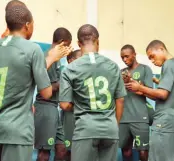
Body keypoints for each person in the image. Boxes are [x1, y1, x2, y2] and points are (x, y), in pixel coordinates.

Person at [0, 5, 69, 161]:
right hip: (17, 130)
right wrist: (51, 58)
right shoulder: (32, 49)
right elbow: (46, 92)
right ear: (27, 25)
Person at [59, 24, 127, 161]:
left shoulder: (70, 69)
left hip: (85, 129)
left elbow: (65, 105)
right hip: (110, 129)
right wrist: (114, 124)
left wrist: (80, 105)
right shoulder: (113, 66)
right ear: (98, 41)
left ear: (78, 43)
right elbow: (120, 100)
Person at [126, 40, 174, 161]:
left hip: (164, 120)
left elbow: (162, 94)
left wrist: (141, 87)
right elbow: (161, 95)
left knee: (158, 158)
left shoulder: (169, 64)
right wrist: (141, 91)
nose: (152, 61)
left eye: (152, 56)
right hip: (170, 119)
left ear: (161, 49)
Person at [34, 27, 72, 161]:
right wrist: (69, 81)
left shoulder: (57, 60)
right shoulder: (48, 57)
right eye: (67, 45)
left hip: (54, 109)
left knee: (61, 149)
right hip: (45, 107)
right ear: (61, 42)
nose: (68, 50)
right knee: (44, 154)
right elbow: (48, 88)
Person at [119, 44, 154, 161]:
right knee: (126, 151)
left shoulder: (145, 69)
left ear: (134, 55)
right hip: (123, 118)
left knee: (143, 152)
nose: (124, 59)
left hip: (140, 117)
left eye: (127, 56)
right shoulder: (121, 72)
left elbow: (150, 92)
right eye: (122, 57)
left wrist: (137, 87)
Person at [61, 49, 82, 161]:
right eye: (80, 58)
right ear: (71, 60)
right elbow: (64, 105)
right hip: (70, 116)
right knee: (67, 151)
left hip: (84, 119)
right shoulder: (66, 75)